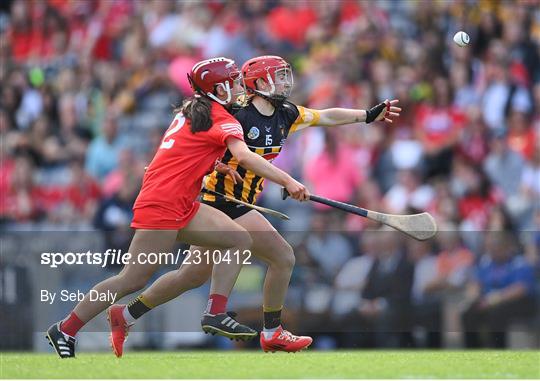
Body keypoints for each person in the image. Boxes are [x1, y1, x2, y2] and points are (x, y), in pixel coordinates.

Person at [107, 55, 401, 354]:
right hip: (220, 199)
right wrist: (285, 180)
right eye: (280, 76)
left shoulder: (286, 113)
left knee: (190, 276)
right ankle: (267, 330)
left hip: (244, 201)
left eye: (286, 75)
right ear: (260, 82)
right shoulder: (235, 112)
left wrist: (366, 115)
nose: (287, 82)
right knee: (282, 256)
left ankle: (126, 314)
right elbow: (196, 144)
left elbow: (325, 116)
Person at [45, 57, 309, 358]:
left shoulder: (193, 110)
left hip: (181, 202)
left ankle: (215, 312)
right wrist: (288, 180)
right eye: (233, 83)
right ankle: (65, 328)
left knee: (238, 239)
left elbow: (189, 152)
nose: (239, 88)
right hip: (163, 205)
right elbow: (246, 157)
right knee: (131, 278)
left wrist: (219, 168)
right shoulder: (221, 118)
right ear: (218, 88)